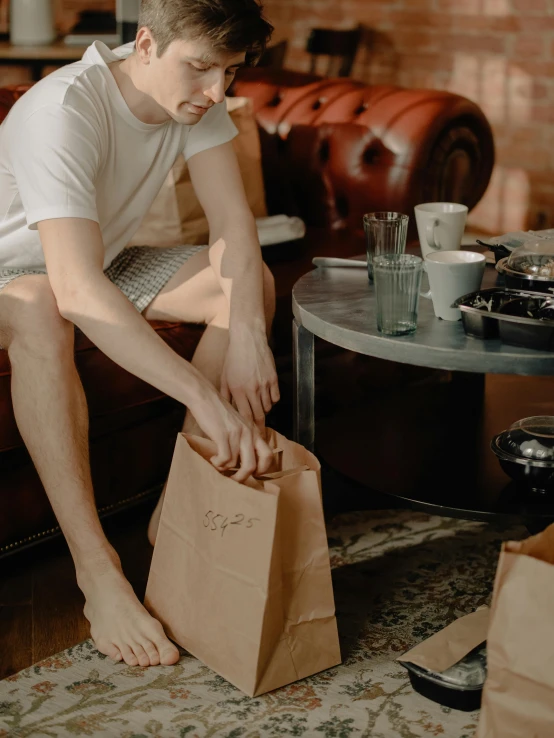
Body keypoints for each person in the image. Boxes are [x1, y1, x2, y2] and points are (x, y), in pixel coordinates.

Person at [0, 0, 279, 668]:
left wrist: (246, 333)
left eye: (230, 73)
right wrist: (208, 403)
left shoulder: (199, 105)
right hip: (17, 273)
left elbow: (233, 229)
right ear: (147, 43)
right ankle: (97, 574)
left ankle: (180, 512)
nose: (216, 92)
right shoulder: (62, 108)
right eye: (201, 68)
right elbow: (72, 288)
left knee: (248, 284)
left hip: (96, 260)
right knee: (40, 301)